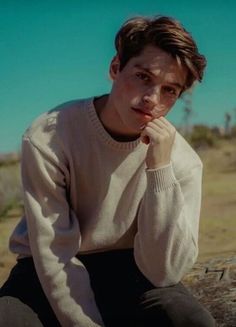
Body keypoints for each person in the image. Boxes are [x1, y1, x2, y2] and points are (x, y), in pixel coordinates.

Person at [0, 15, 216, 327]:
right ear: (115, 68)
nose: (152, 99)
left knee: (191, 321)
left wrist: (159, 170)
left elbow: (164, 272)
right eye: (143, 77)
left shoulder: (182, 161)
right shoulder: (49, 136)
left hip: (133, 269)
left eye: (169, 90)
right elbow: (54, 251)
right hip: (44, 268)